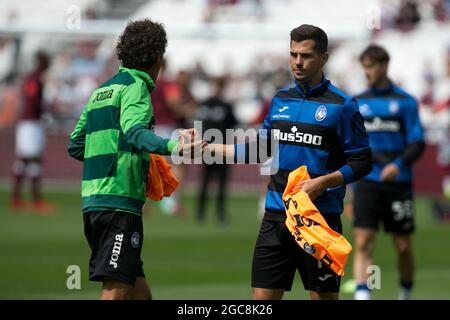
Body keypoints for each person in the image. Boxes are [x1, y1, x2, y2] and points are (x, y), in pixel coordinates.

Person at [205, 24, 372, 300]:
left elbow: (363, 161)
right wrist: (209, 147)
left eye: (305, 55)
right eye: (293, 54)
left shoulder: (343, 105)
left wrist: (324, 182)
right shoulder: (280, 99)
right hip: (276, 218)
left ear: (324, 58)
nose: (297, 61)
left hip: (319, 219)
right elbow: (261, 149)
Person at [67, 19, 203, 300]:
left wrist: (114, 160)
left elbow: (76, 144)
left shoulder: (101, 91)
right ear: (157, 59)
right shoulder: (136, 87)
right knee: (115, 291)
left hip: (93, 202)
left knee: (139, 294)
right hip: (119, 204)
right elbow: (136, 133)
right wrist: (176, 147)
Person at [352, 44, 425, 300]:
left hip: (398, 183)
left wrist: (398, 165)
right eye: (364, 67)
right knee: (363, 241)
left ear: (384, 65)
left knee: (403, 246)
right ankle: (364, 295)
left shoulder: (405, 102)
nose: (366, 72)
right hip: (367, 182)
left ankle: (405, 294)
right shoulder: (358, 102)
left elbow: (417, 142)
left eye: (370, 66)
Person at [10, 50, 55, 213]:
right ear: (43, 62)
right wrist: (47, 107)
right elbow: (33, 100)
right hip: (31, 123)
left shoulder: (32, 77)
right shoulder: (36, 79)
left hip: (29, 122)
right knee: (30, 160)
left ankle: (18, 199)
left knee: (25, 161)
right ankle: (34, 201)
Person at [195, 76, 237, 224]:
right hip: (218, 147)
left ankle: (211, 212)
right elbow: (233, 124)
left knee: (215, 182)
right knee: (210, 181)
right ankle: (205, 212)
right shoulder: (224, 105)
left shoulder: (205, 104)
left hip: (214, 147)